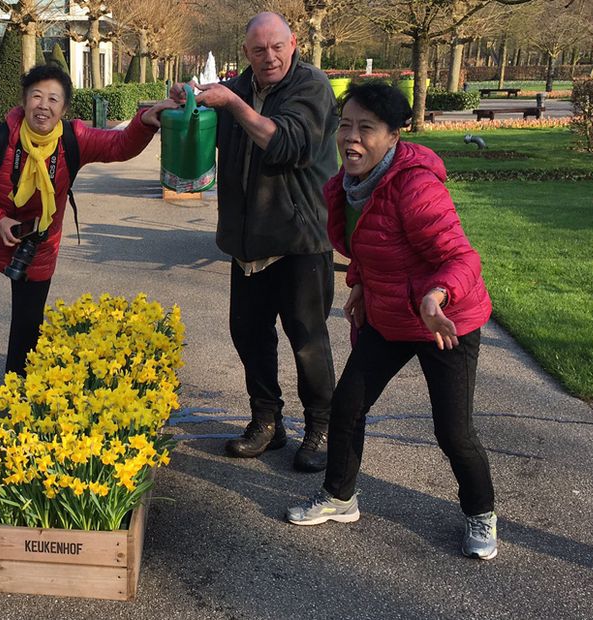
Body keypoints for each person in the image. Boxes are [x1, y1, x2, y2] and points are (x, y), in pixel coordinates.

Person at [284, 82, 499, 561]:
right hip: (390, 317)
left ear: (394, 135)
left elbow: (462, 257)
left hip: (445, 322)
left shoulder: (415, 185)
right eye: (345, 126)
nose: (351, 139)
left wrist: (436, 296)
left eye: (366, 129)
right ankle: (340, 498)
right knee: (347, 407)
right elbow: (370, 243)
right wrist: (360, 282)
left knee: (453, 432)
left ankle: (481, 512)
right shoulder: (349, 186)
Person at [167, 12, 338, 472]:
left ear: (293, 43)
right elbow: (208, 132)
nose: (270, 57)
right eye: (259, 49)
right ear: (246, 52)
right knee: (248, 334)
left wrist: (233, 105)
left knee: (307, 340)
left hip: (299, 240)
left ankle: (322, 427)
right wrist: (189, 104)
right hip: (247, 241)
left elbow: (287, 144)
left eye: (277, 46)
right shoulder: (236, 88)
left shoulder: (312, 87)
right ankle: (267, 421)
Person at [0, 64, 178, 375]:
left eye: (53, 99)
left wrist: (145, 121)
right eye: (36, 96)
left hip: (38, 244)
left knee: (27, 327)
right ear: (24, 100)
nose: (43, 105)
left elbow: (119, 145)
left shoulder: (74, 139)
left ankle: (15, 390)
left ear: (64, 108)